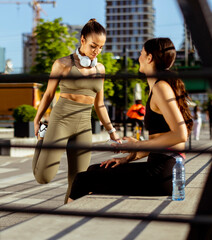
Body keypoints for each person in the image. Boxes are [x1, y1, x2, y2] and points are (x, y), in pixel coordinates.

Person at [68, 38, 193, 202]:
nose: (139, 57)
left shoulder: (161, 87)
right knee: (94, 170)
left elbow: (180, 134)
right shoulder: (159, 86)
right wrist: (129, 157)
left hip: (161, 173)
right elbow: (163, 141)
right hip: (161, 169)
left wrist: (137, 145)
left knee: (84, 179)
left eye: (141, 53)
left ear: (149, 58)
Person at [32, 19, 120, 203]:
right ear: (82, 40)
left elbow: (100, 104)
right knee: (44, 177)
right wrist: (37, 118)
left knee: (79, 181)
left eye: (101, 47)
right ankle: (42, 139)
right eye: (93, 46)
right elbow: (48, 94)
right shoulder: (63, 64)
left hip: (83, 125)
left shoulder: (100, 69)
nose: (97, 51)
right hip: (61, 120)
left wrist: (112, 132)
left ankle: (67, 214)